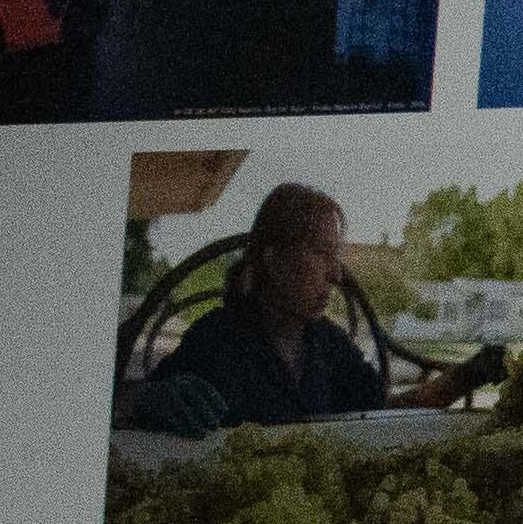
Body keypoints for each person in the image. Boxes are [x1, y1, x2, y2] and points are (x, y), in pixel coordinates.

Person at [119, 185, 494, 438]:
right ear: (273, 258)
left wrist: (467, 375)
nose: (335, 273)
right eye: (320, 252)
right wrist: (146, 400)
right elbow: (119, 409)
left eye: (336, 255)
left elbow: (383, 414)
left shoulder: (328, 343)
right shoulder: (216, 339)